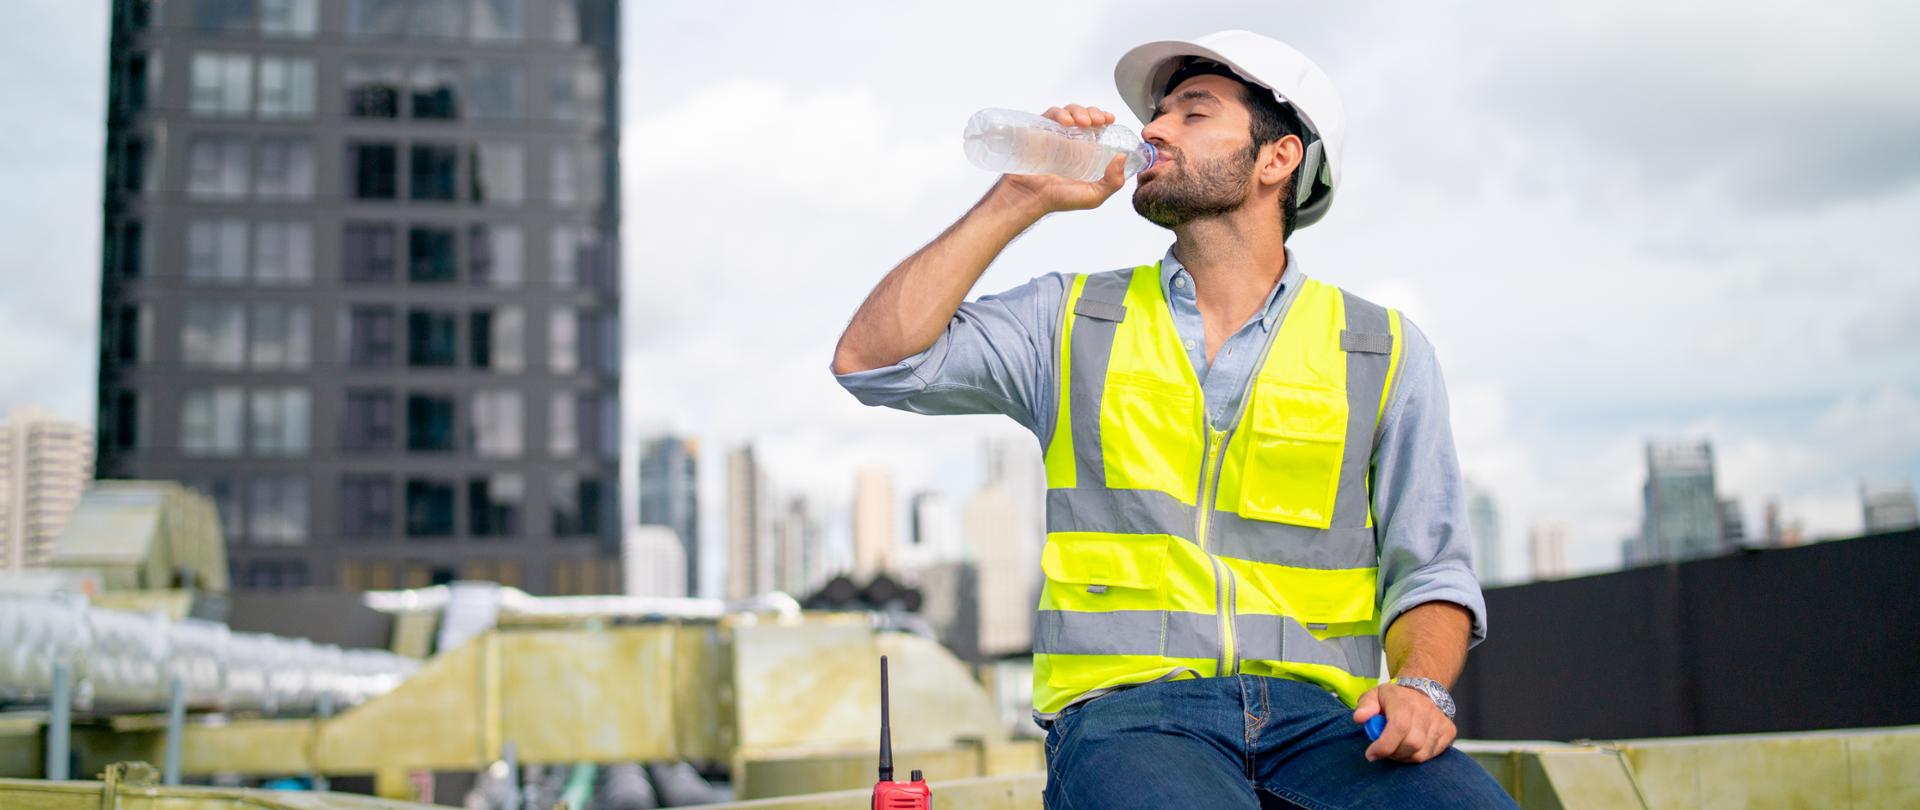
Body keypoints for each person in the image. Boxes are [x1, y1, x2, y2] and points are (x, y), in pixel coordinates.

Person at [831, 30, 1517, 809]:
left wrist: (1423, 688)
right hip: (1131, 719)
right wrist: (1017, 197)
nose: (1152, 131)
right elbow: (873, 358)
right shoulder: (1071, 319)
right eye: (1156, 115)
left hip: (1329, 726)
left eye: (1193, 114)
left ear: (1277, 158)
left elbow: (1430, 568)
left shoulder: (1381, 349)